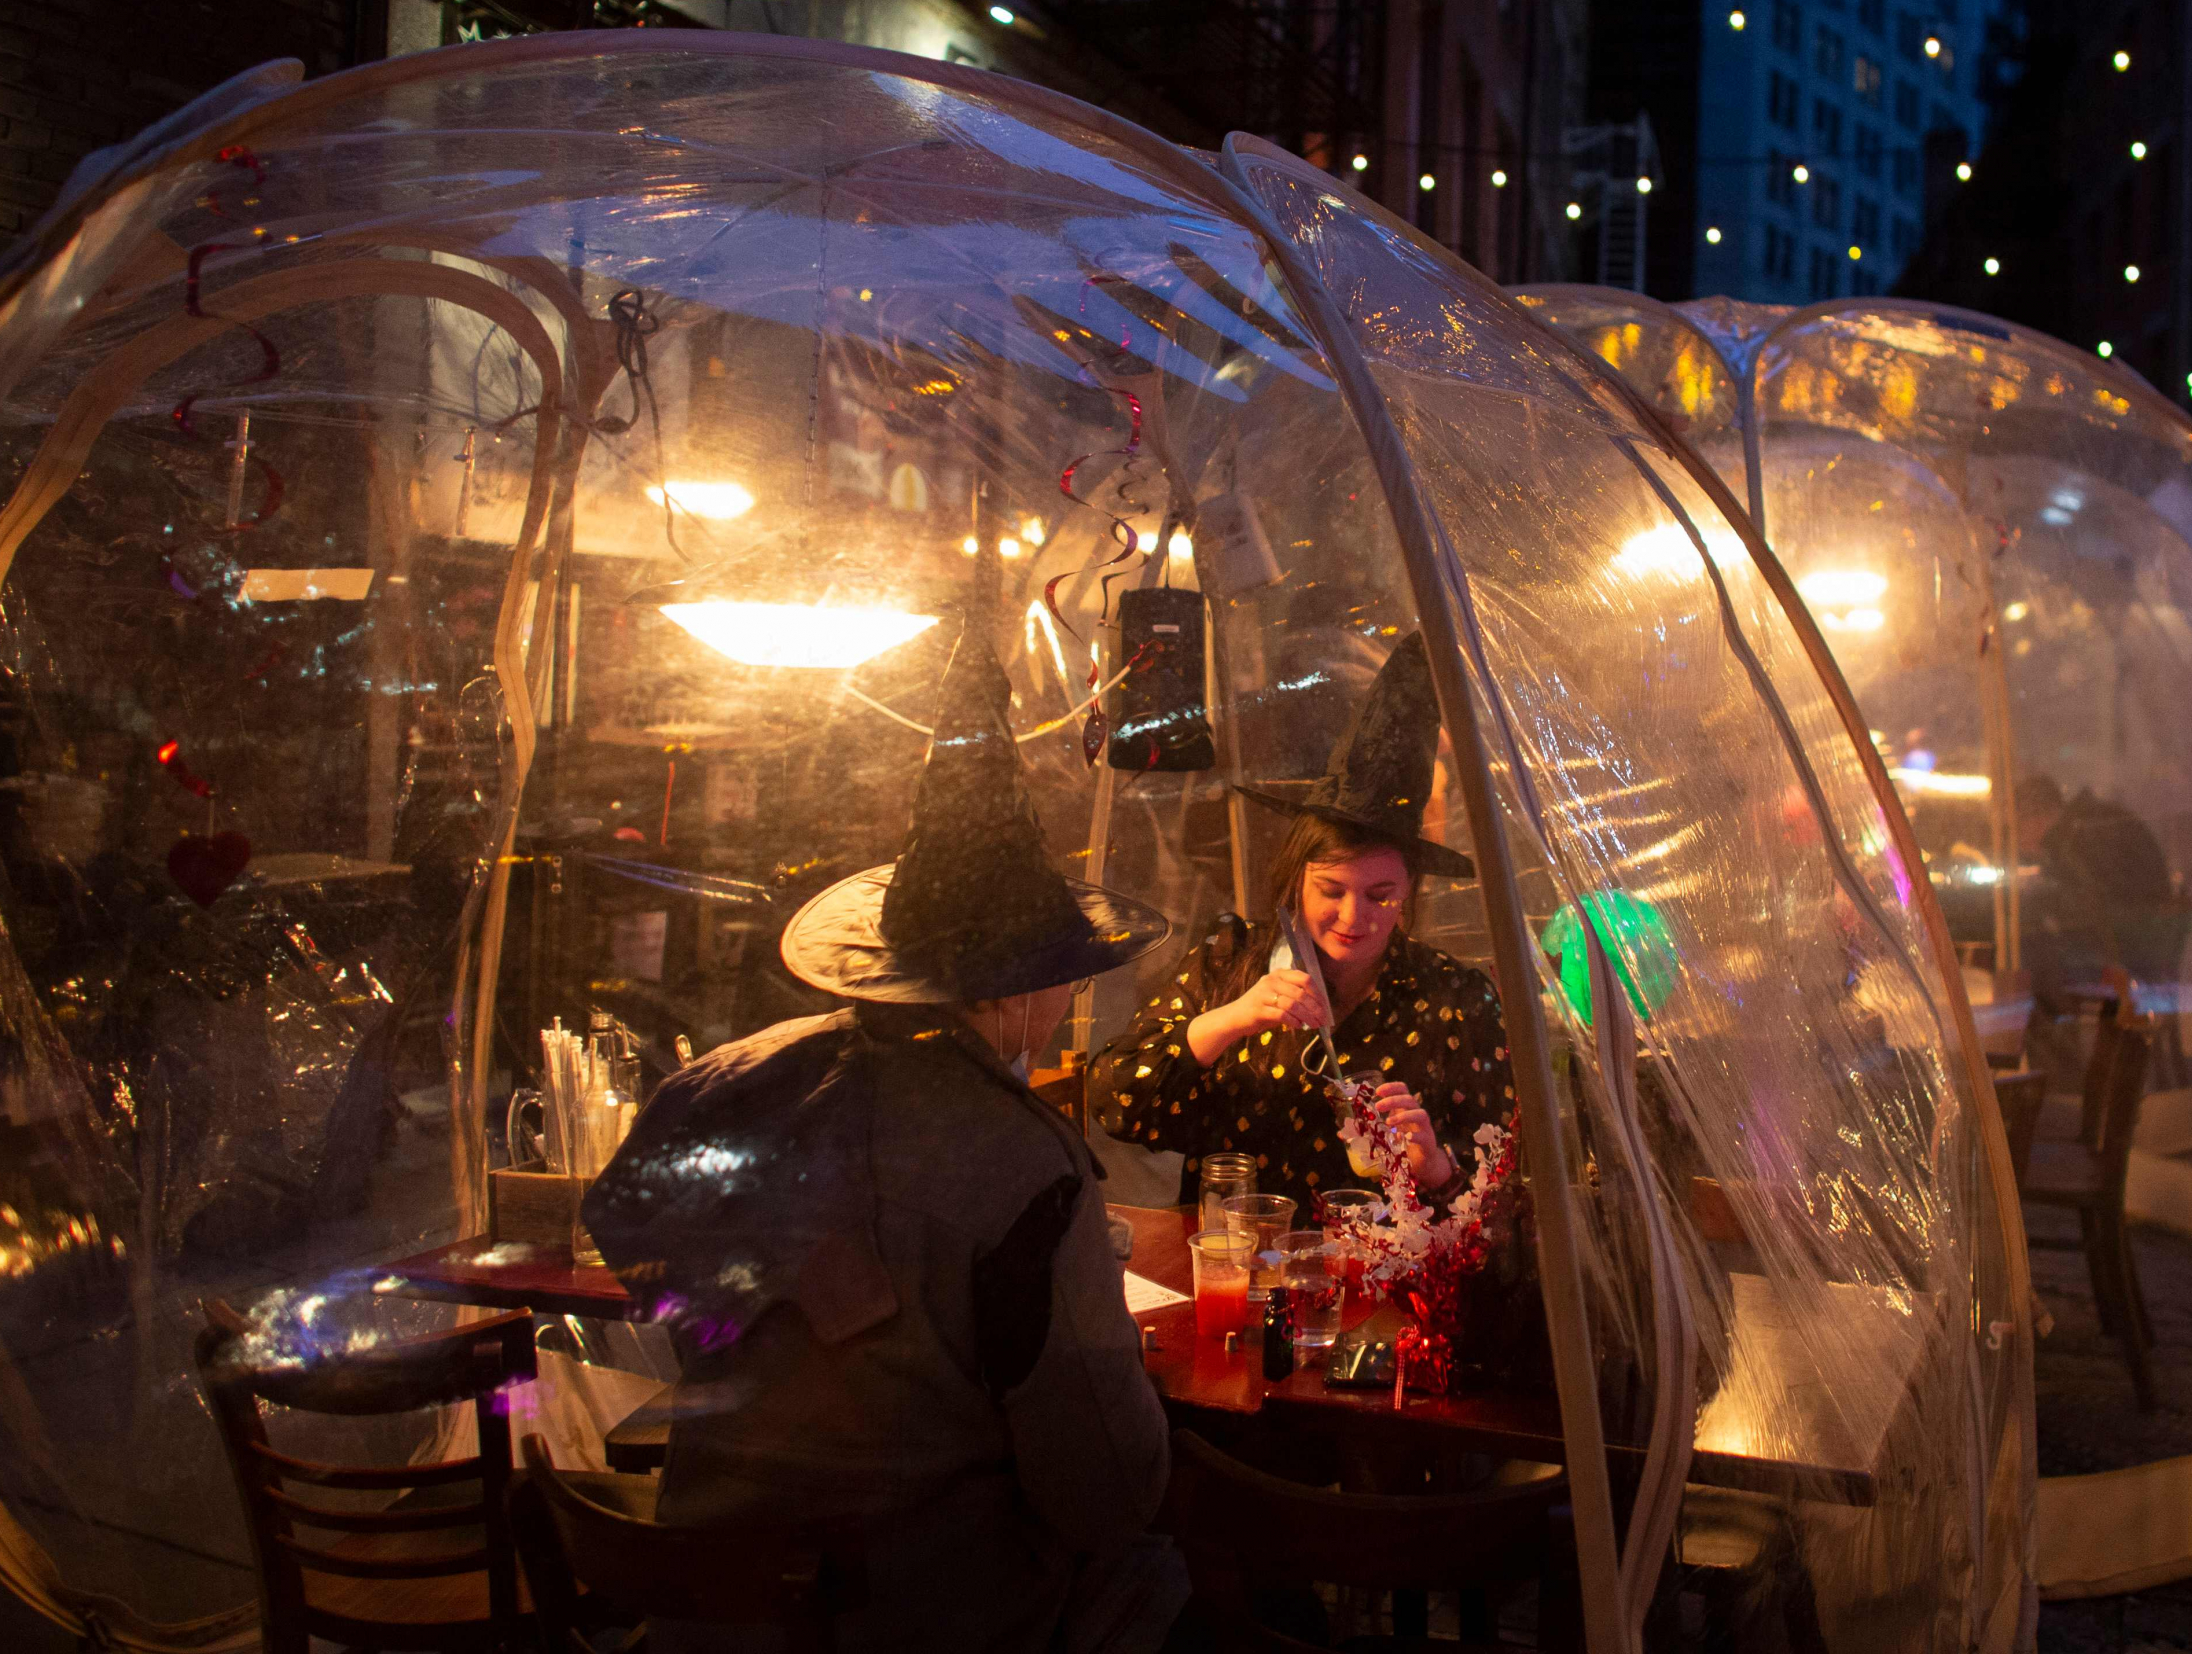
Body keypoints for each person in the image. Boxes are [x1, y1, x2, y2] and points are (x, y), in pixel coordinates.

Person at [585, 620, 1177, 1654]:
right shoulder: (1030, 1169)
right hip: (918, 1618)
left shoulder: (723, 1081)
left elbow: (621, 1230)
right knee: (1171, 1572)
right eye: (1064, 971)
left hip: (704, 1611)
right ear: (1021, 983)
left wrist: (767, 1315)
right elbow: (1105, 1489)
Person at [1094, 630, 1516, 1209]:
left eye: (1380, 895)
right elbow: (1118, 1106)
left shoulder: (1455, 999)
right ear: (1297, 878)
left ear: (1410, 892)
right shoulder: (1230, 961)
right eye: (1331, 889)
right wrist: (1230, 1021)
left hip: (1382, 1286)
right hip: (1237, 1266)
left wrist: (1437, 1168)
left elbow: (1503, 1208)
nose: (1353, 916)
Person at [2011, 771, 2184, 994]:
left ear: (2037, 817)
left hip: (2133, 966)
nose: (2017, 839)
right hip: (2150, 955)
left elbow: (2093, 917)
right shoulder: (2090, 825)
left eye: (2018, 827)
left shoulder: (2077, 845)